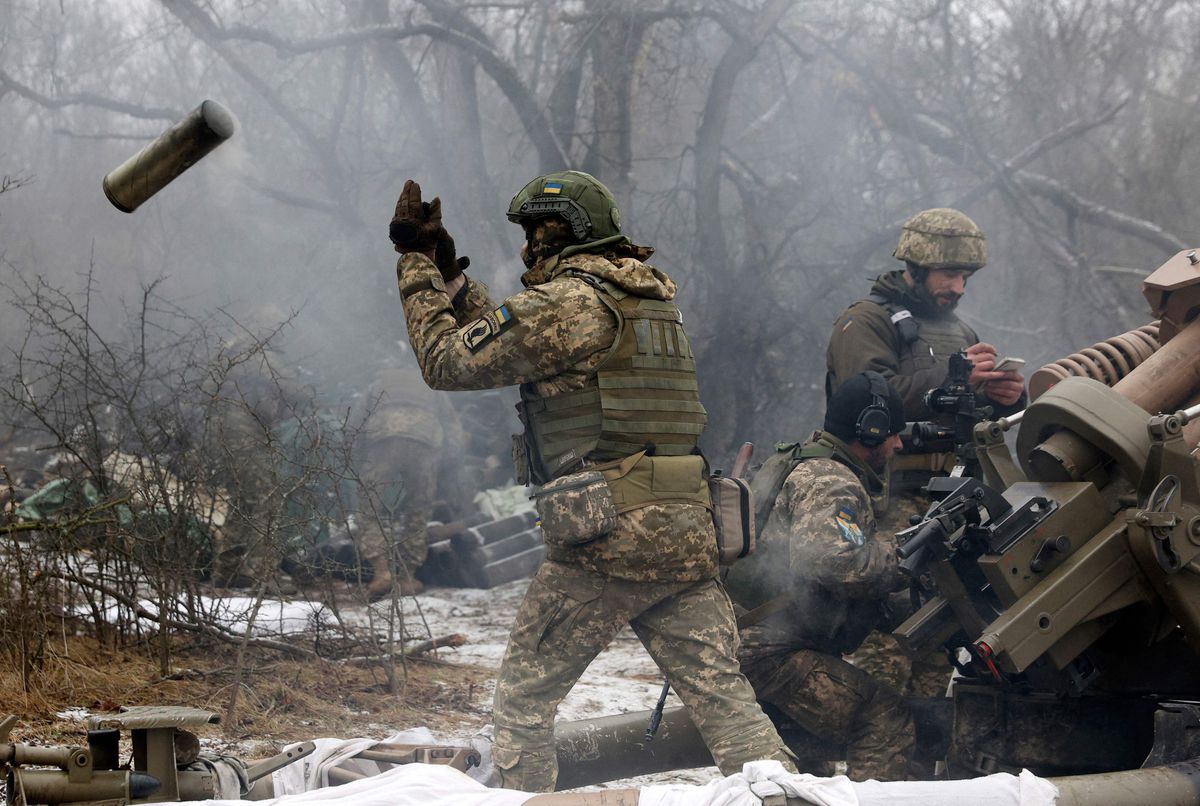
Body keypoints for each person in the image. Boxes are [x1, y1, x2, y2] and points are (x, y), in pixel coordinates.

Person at [387, 170, 795, 792]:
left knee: (522, 705)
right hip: (686, 532)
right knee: (727, 704)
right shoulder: (649, 303)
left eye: (532, 232)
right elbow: (523, 342)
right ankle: (785, 797)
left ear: (561, 233)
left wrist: (417, 268)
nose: (526, 249)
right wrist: (456, 284)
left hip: (610, 537)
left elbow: (448, 362)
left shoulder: (571, 303)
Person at [824, 208, 1026, 695]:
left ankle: (919, 756)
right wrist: (954, 379)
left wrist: (1006, 396)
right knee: (887, 645)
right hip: (888, 502)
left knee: (938, 645)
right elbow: (868, 398)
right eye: (949, 273)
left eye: (966, 276)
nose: (958, 287)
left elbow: (976, 422)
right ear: (913, 268)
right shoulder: (865, 322)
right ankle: (873, 750)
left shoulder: (962, 334)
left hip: (952, 507)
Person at [725, 371, 914, 781]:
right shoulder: (831, 480)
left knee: (806, 750)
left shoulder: (802, 462)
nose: (899, 443)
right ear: (870, 430)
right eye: (892, 433)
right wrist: (900, 556)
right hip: (770, 653)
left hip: (752, 641)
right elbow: (831, 564)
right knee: (885, 719)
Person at [353, 362, 461, 598]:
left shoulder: (377, 385)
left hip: (384, 440)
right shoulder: (432, 387)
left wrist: (360, 456)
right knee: (417, 509)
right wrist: (445, 461)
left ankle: (381, 572)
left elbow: (356, 423)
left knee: (369, 507)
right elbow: (453, 427)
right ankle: (407, 576)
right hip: (424, 442)